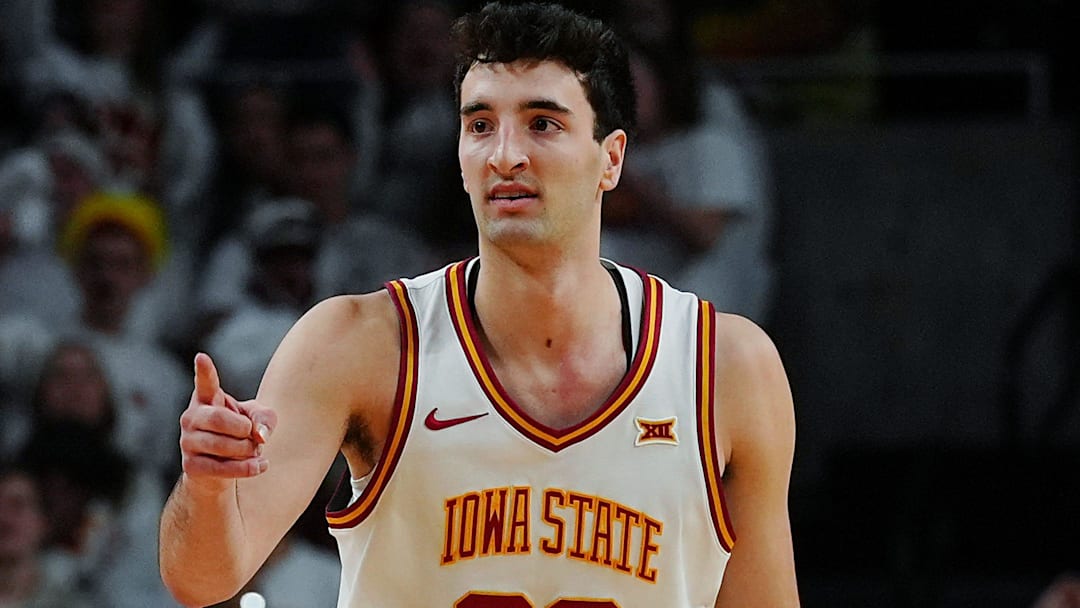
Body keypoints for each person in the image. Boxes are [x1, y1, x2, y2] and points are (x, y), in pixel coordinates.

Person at [159, 2, 799, 607]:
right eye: (480, 125)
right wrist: (208, 488)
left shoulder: (727, 368)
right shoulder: (358, 342)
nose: (505, 155)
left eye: (543, 124)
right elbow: (203, 580)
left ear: (611, 160)